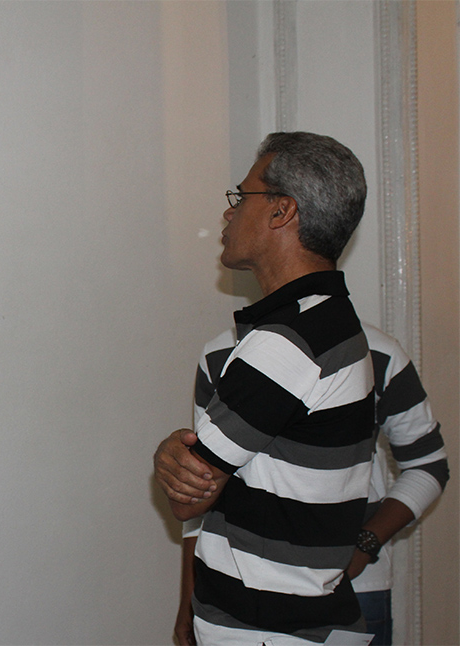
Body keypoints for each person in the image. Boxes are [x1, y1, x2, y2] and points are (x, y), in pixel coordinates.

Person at [158, 132, 376, 645]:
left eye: (241, 197)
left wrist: (166, 457)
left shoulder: (287, 342)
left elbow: (189, 502)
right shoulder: (328, 320)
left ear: (282, 211)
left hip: (270, 630)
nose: (228, 214)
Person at [160, 323, 449, 645]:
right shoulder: (221, 353)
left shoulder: (375, 350)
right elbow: (200, 483)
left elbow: (427, 463)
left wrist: (365, 545)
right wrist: (189, 593)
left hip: (351, 587)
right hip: (233, 592)